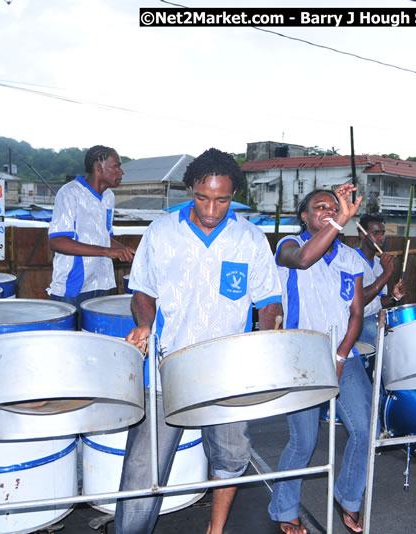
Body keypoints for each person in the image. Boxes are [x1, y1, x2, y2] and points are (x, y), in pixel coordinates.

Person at [116, 148, 283, 534]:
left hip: (226, 371)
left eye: (222, 199)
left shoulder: (250, 238)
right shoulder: (161, 230)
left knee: (232, 455)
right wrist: (145, 323)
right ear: (190, 189)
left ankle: (216, 529)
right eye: (203, 198)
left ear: (234, 195)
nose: (211, 209)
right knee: (143, 470)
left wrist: (267, 329)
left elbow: (269, 300)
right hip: (167, 366)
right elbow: (142, 290)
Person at [269, 185, 369, 534]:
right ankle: (284, 509)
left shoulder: (351, 258)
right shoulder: (289, 246)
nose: (327, 210)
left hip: (346, 356)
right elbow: (304, 260)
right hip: (303, 358)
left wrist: (342, 353)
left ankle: (349, 498)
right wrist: (340, 220)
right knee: (304, 441)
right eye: (319, 207)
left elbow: (356, 312)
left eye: (333, 206)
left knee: (364, 432)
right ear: (304, 215)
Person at [47, 145, 136, 315]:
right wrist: (108, 251)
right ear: (99, 168)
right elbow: (57, 241)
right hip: (72, 288)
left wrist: (124, 251)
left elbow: (104, 236)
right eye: (116, 166)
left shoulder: (109, 196)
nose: (121, 172)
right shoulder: (69, 193)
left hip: (103, 283)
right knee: (72, 340)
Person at [356, 213, 405, 346]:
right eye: (375, 233)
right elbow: (359, 301)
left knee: (404, 331)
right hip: (358, 320)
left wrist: (394, 297)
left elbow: (379, 301)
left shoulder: (379, 263)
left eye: (382, 233)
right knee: (390, 341)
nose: (380, 238)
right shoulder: (352, 260)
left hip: (377, 317)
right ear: (362, 234)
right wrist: (386, 274)